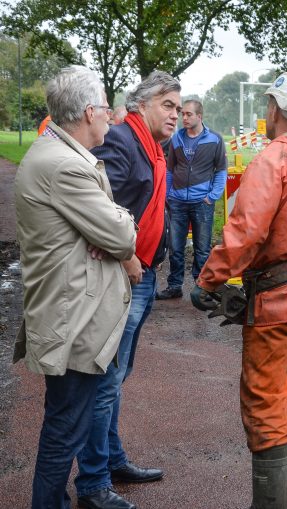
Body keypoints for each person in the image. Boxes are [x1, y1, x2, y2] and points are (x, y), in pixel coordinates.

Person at [192, 71, 287, 509]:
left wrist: (209, 281)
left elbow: (245, 233)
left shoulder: (274, 160)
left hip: (277, 305)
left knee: (266, 405)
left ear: (275, 110)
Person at [14, 65, 136, 509]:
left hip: (72, 312)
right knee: (64, 428)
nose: (109, 115)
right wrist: (112, 228)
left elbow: (107, 228)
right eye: (105, 107)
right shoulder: (66, 166)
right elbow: (121, 235)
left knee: (67, 423)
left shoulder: (58, 155)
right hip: (73, 318)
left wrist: (102, 229)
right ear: (88, 112)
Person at [74, 71, 181, 509]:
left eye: (178, 107)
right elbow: (100, 208)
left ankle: (112, 460)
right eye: (168, 105)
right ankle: (93, 484)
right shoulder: (121, 140)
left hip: (143, 275)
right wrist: (128, 256)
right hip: (123, 276)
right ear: (140, 106)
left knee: (117, 380)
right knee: (104, 383)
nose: (175, 113)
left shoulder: (155, 146)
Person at [156, 99, 227, 300]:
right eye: (182, 114)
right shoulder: (176, 138)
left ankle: (201, 289)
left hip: (201, 203)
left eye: (188, 114)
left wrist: (212, 196)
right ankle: (175, 286)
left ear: (199, 116)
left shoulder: (215, 139)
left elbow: (221, 170)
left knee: (202, 249)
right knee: (175, 248)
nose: (183, 117)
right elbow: (170, 169)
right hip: (177, 201)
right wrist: (167, 194)